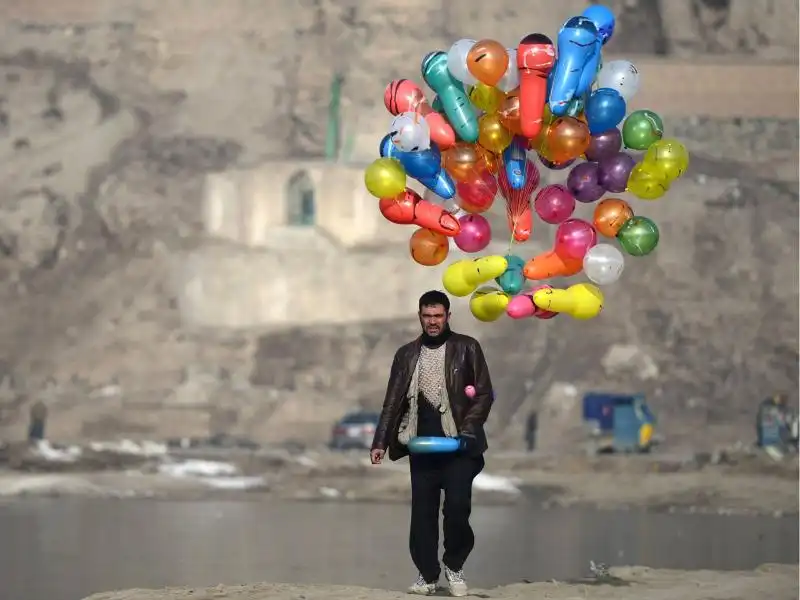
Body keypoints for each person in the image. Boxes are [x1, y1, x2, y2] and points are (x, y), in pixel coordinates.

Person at [370, 290, 494, 597]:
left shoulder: (467, 347)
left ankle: (454, 565)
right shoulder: (406, 354)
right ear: (420, 317)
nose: (433, 322)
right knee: (422, 514)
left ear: (448, 316)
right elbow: (392, 402)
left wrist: (467, 430)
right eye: (427, 316)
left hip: (459, 445)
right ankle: (427, 575)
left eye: (438, 316)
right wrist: (380, 442)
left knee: (457, 508)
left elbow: (483, 394)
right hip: (421, 444)